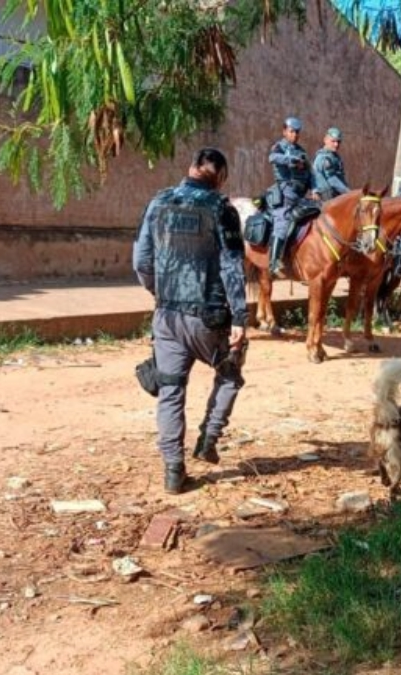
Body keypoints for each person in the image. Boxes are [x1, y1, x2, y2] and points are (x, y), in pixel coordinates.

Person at [132, 148, 249, 495]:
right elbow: (231, 267)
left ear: (192, 168)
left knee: (170, 390)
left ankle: (173, 470)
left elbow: (141, 260)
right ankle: (208, 439)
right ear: (221, 177)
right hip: (209, 317)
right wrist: (240, 317)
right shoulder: (222, 210)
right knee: (230, 372)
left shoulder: (159, 202)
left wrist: (160, 292)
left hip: (166, 316)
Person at [267, 116, 312, 278]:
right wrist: (291, 160)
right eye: (292, 131)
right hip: (285, 192)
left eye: (297, 132)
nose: (295, 135)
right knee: (283, 222)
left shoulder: (302, 152)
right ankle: (274, 262)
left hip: (301, 194)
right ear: (285, 131)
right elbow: (272, 158)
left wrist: (315, 189)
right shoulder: (278, 147)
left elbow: (310, 173)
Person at [312, 127, 349, 202]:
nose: (336, 144)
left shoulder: (335, 157)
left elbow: (341, 178)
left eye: (338, 142)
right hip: (326, 197)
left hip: (336, 195)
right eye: (333, 141)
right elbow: (331, 179)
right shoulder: (324, 158)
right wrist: (348, 192)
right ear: (325, 140)